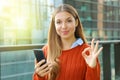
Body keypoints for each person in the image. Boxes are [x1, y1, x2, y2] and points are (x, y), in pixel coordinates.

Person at [33, 4, 103, 80]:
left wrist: (92, 68)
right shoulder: (46, 51)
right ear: (54, 25)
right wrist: (39, 76)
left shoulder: (88, 52)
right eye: (59, 22)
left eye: (69, 21)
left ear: (76, 22)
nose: (64, 26)